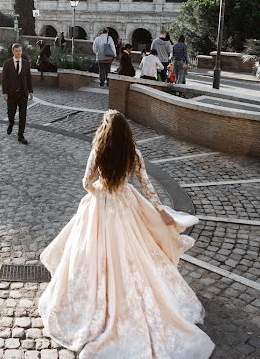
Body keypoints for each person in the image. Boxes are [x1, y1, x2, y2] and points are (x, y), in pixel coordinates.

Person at [38, 110, 214, 358]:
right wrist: (160, 210)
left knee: (91, 253)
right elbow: (147, 186)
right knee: (137, 252)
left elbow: (86, 183)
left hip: (101, 204)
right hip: (125, 203)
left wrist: (99, 190)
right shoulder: (134, 154)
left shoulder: (99, 151)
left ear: (105, 131)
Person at [2, 43, 33, 144]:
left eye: (20, 51)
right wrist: (4, 92)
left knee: (23, 116)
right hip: (11, 93)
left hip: (23, 94)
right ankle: (11, 123)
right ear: (13, 51)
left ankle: (21, 136)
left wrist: (31, 91)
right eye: (16, 51)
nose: (18, 53)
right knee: (11, 112)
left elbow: (29, 79)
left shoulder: (26, 64)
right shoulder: (7, 63)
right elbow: (4, 79)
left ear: (22, 51)